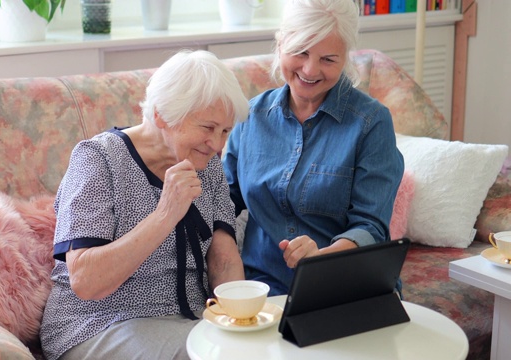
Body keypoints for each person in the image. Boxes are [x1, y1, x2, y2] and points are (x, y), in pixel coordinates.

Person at [40, 50, 249, 360]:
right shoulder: (98, 159)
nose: (218, 146)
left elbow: (224, 260)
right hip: (97, 324)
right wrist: (166, 213)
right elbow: (86, 281)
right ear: (163, 114)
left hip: (189, 320)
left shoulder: (208, 165)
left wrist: (242, 322)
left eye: (225, 131)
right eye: (208, 128)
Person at [222, 0, 404, 296]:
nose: (310, 69)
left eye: (328, 59)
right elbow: (222, 202)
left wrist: (322, 259)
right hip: (261, 289)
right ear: (281, 44)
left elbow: (371, 227)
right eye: (300, 52)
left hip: (343, 286)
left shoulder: (371, 122)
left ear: (345, 58)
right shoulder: (250, 117)